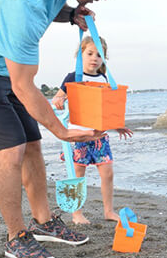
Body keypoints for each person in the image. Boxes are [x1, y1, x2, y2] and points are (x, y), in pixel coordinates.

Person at [0, 0, 122, 258]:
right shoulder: (22, 5)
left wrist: (71, 14)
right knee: (11, 148)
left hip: (0, 59)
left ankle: (43, 222)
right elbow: (24, 84)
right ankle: (15, 236)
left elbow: (49, 3)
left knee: (32, 142)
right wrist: (63, 131)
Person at [52, 35, 133, 224]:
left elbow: (105, 109)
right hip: (78, 135)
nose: (94, 58)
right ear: (80, 55)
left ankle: (108, 211)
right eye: (89, 53)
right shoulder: (73, 77)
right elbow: (58, 97)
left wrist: (117, 125)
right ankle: (77, 214)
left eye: (99, 54)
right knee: (78, 175)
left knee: (107, 173)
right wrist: (58, 100)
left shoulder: (104, 78)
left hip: (99, 136)